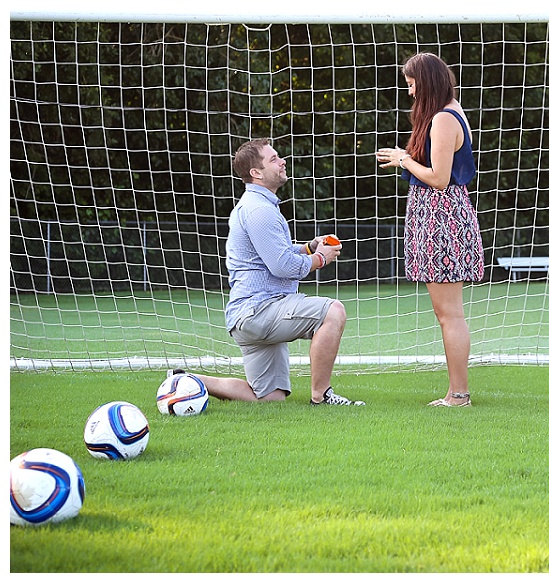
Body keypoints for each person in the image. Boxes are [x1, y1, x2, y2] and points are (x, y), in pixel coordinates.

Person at [174, 138, 364, 406]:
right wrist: (320, 258)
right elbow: (282, 266)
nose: (282, 160)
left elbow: (277, 254)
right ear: (256, 173)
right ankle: (322, 396)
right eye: (274, 158)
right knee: (333, 312)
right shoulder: (259, 210)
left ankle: (187, 380)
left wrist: (309, 248)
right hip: (259, 311)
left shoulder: (257, 206)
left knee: (270, 398)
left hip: (249, 315)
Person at [375, 53, 484, 407]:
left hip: (442, 220)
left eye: (411, 84)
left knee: (448, 313)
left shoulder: (443, 119)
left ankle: (459, 395)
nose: (409, 93)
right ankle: (457, 392)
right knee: (447, 313)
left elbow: (438, 179)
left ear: (428, 82)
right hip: (438, 217)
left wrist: (402, 159)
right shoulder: (450, 110)